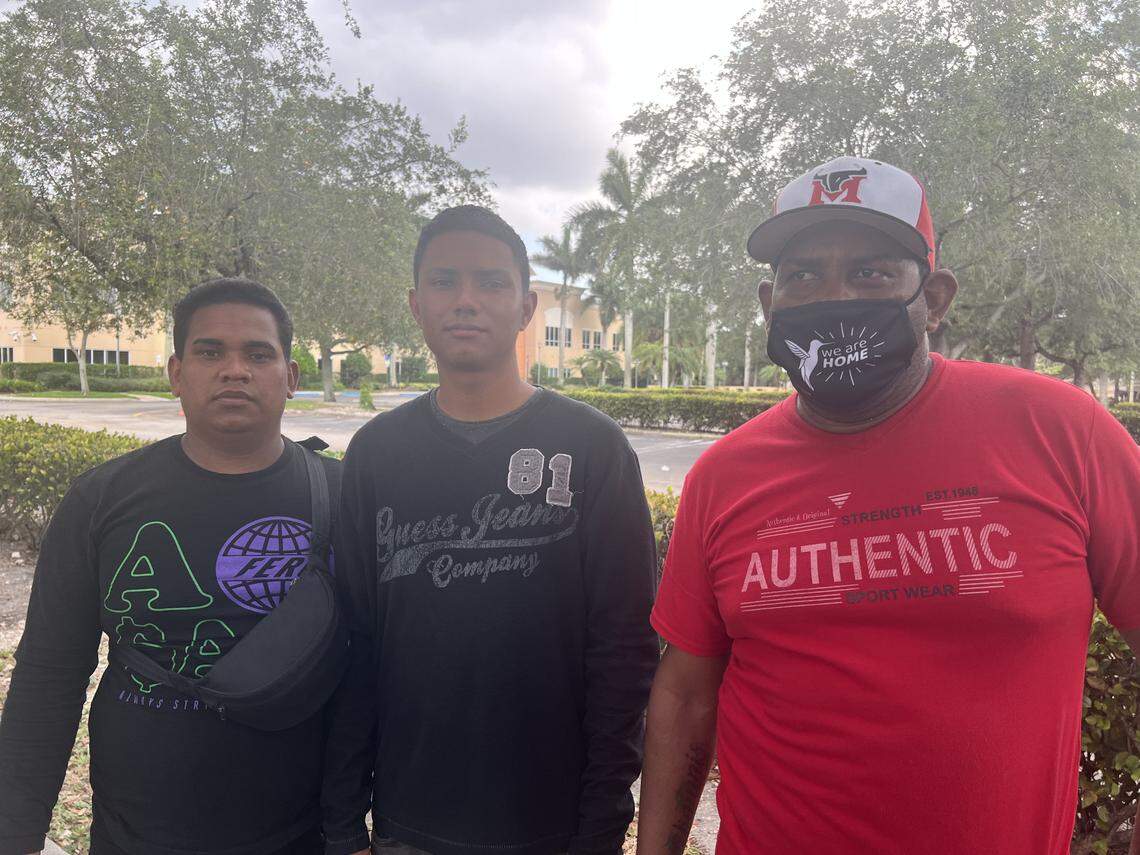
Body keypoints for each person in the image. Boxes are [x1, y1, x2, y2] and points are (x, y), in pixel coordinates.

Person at [636, 156, 1140, 855]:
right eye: (802, 276)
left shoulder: (1063, 432)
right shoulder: (724, 477)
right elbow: (686, 696)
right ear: (767, 303)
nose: (832, 296)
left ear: (934, 297)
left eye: (871, 273)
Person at [322, 205, 659, 855]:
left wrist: (600, 829)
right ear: (417, 305)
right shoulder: (375, 453)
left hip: (555, 828)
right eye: (445, 282)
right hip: (406, 823)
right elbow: (354, 643)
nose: (466, 301)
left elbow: (624, 654)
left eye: (491, 282)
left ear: (527, 305)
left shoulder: (593, 448)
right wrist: (342, 826)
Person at [0, 279, 342, 855]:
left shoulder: (345, 497)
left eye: (259, 353)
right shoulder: (102, 499)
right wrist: (14, 831)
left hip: (305, 830)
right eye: (210, 352)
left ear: (291, 377)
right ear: (177, 373)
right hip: (139, 831)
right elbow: (50, 673)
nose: (235, 369)